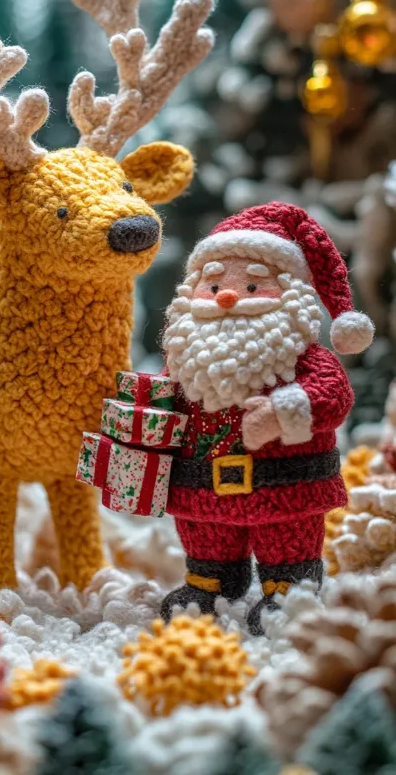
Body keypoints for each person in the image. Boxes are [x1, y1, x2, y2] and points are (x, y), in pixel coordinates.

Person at [162, 202, 374, 634]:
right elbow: (165, 399)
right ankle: (208, 582)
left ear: (289, 293)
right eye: (214, 282)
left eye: (253, 285)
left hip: (284, 487)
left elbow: (333, 396)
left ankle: (288, 588)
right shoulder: (185, 359)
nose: (227, 295)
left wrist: (283, 412)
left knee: (286, 538)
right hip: (201, 490)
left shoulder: (304, 358)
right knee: (207, 540)